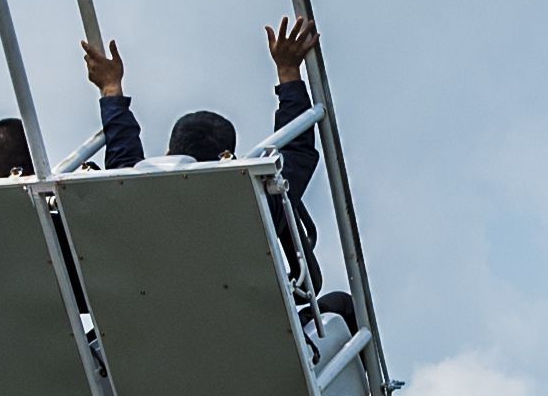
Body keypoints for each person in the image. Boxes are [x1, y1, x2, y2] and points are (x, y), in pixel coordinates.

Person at [75, 23, 346, 321]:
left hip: (149, 334)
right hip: (244, 331)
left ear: (169, 154)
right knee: (340, 306)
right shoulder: (254, 202)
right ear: (226, 160)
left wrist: (110, 88)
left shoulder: (128, 197)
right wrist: (288, 72)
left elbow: (122, 155)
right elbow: (296, 151)